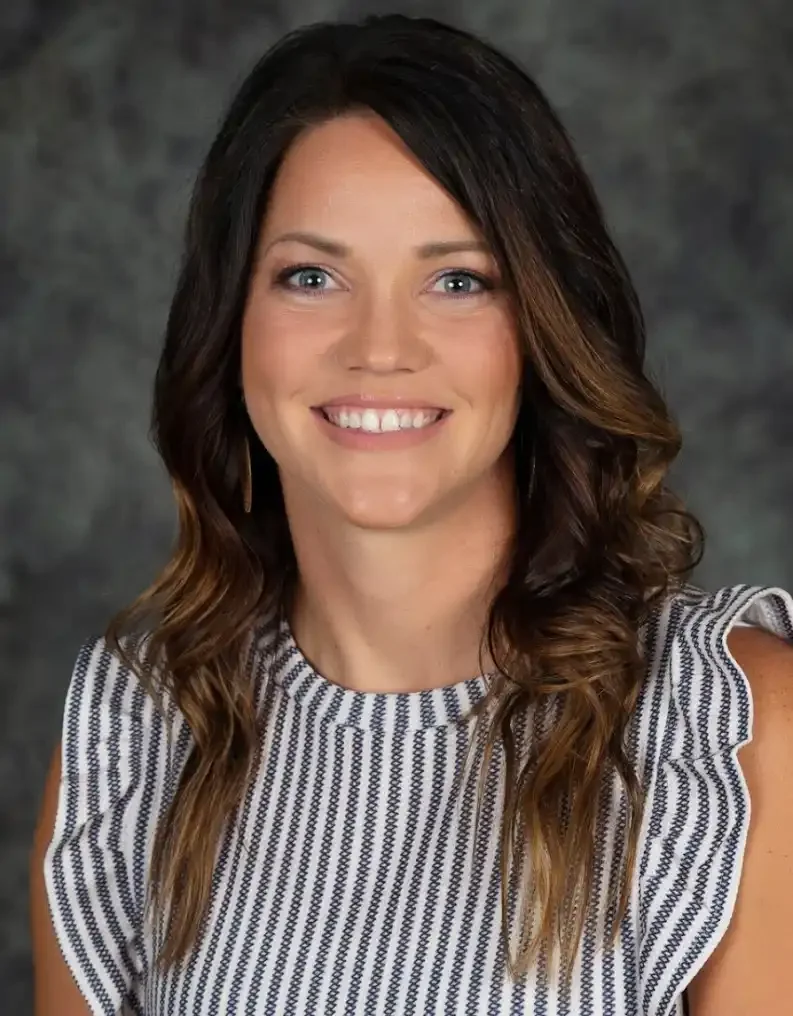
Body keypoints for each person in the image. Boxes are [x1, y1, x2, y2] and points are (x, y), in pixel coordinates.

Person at [29, 13, 793, 1016]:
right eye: (311, 275)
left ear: (543, 329)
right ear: (230, 326)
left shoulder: (731, 732)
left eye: (457, 280)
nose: (379, 345)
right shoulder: (133, 735)